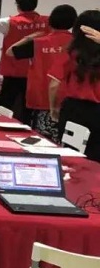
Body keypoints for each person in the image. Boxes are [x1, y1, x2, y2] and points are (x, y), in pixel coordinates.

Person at [7, 4, 77, 140]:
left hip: (40, 99)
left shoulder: (39, 43)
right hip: (67, 100)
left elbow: (10, 52)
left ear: (51, 21)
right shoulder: (77, 44)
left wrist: (28, 38)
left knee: (37, 140)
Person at [49, 10, 100, 162]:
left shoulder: (71, 52)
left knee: (69, 158)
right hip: (96, 113)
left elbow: (54, 84)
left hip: (72, 110)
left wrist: (53, 108)